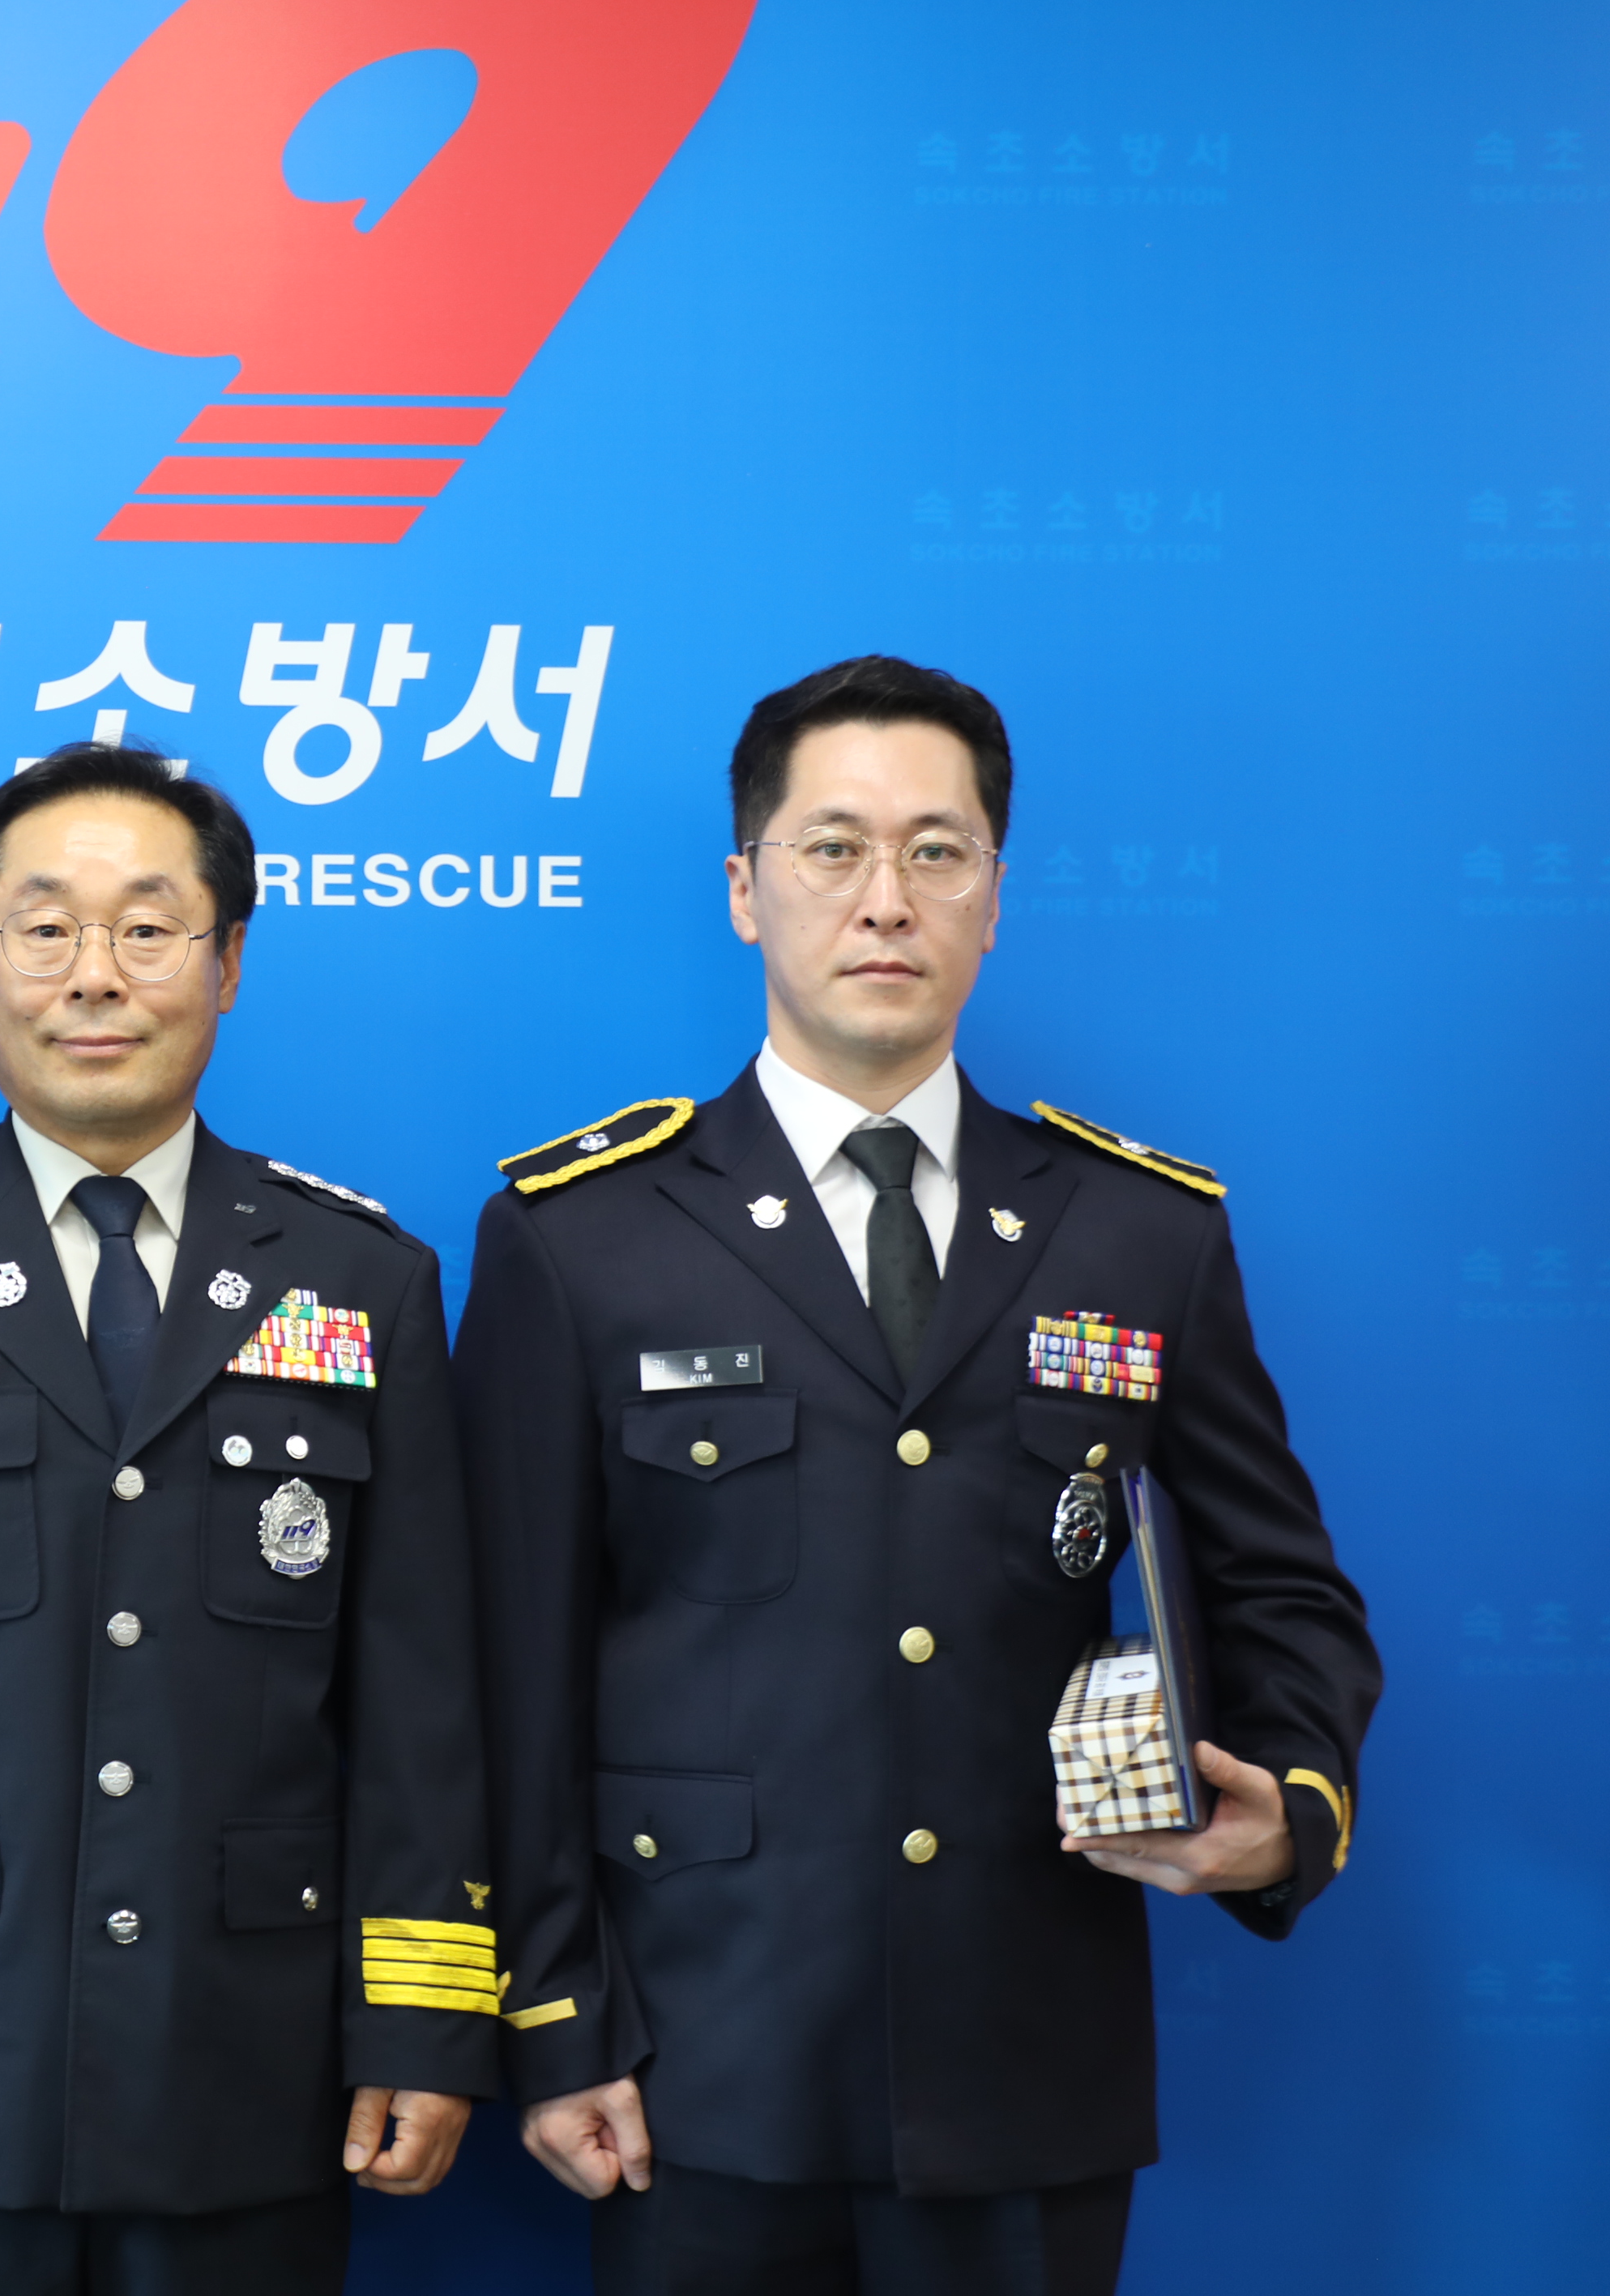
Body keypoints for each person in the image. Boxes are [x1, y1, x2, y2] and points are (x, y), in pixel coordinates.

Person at [459, 655, 1380, 2296]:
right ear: (745, 890)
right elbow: (505, 1667)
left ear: (994, 899)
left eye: (936, 852)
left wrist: (1289, 1808)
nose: (886, 898)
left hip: (1024, 2064)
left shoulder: (1138, 1231)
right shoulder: (583, 1237)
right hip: (696, 2067)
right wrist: (554, 2013)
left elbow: (1284, 1590)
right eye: (833, 848)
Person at [0, 743, 495, 2295]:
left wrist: (421, 2016)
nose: (95, 976)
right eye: (45, 927)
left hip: (251, 2068)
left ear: (228, 963)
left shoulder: (362, 1279)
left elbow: (421, 1701)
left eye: (148, 927)